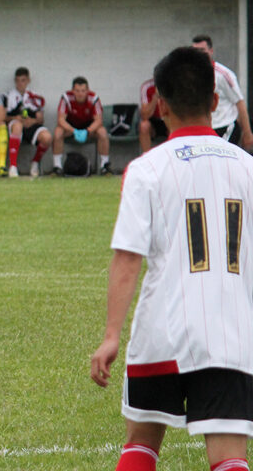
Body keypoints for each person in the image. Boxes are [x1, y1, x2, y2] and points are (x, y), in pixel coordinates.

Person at [90, 46, 253, 471]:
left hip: (161, 331)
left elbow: (128, 258)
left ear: (160, 105)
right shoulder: (248, 168)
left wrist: (111, 336)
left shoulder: (146, 169)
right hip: (231, 335)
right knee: (230, 457)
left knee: (141, 444)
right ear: (215, 101)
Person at [192, 35, 253, 149]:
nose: (199, 54)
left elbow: (239, 102)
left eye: (202, 50)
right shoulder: (190, 74)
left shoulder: (224, 74)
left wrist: (247, 132)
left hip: (224, 127)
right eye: (196, 51)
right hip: (204, 129)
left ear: (211, 51)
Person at [53, 76, 111, 175]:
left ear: (88, 90)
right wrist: (74, 131)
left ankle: (104, 167)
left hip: (88, 126)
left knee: (102, 132)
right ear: (72, 91)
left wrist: (87, 131)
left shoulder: (94, 98)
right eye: (77, 91)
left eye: (83, 91)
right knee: (58, 132)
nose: (80, 94)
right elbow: (61, 120)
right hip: (71, 126)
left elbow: (98, 120)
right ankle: (57, 167)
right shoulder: (66, 97)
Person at [4, 67, 52, 177]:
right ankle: (13, 167)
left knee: (47, 137)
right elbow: (3, 117)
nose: (20, 83)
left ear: (28, 80)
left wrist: (32, 121)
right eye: (18, 80)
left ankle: (35, 162)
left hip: (31, 126)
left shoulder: (35, 97)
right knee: (17, 126)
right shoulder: (8, 96)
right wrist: (15, 117)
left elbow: (41, 119)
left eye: (23, 80)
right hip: (15, 126)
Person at [138, 76, 168, 153]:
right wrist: (156, 97)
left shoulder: (174, 85)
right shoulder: (147, 86)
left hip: (169, 118)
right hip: (154, 120)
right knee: (144, 126)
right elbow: (145, 116)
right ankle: (146, 155)